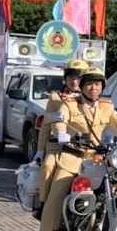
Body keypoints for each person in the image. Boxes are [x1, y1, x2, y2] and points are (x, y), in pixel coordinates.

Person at [30, 68, 117, 231]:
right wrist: (61, 132)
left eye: (98, 84)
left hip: (96, 158)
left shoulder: (106, 106)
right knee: (55, 196)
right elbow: (59, 119)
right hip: (72, 157)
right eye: (89, 84)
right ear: (82, 86)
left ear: (103, 87)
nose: (94, 88)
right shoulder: (69, 103)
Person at [31, 58, 89, 220]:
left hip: (86, 147)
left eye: (78, 77)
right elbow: (46, 125)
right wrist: (40, 151)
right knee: (48, 166)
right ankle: (43, 205)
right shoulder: (56, 97)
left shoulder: (93, 98)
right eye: (71, 77)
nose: (74, 81)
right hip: (58, 146)